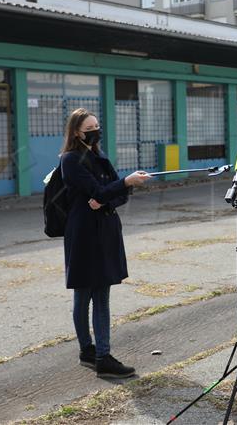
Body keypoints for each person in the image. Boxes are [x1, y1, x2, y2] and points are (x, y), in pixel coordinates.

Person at [60, 108, 151, 378]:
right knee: (84, 294)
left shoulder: (99, 156)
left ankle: (100, 354)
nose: (96, 130)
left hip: (105, 231)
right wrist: (120, 184)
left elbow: (120, 192)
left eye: (97, 125)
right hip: (84, 235)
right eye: (90, 127)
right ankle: (92, 352)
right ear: (77, 131)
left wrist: (110, 194)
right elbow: (109, 187)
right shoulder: (70, 160)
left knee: (101, 294)